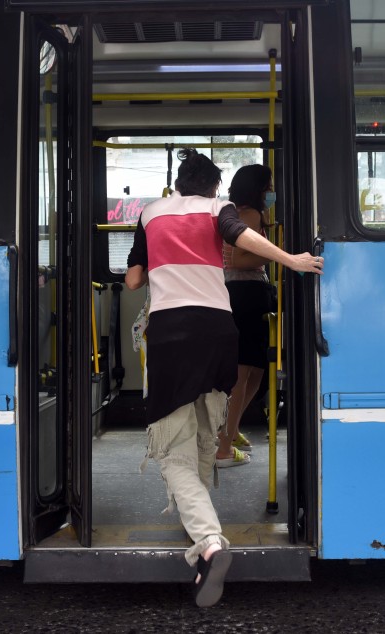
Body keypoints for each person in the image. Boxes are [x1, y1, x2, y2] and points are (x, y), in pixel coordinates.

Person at [125, 149, 323, 607]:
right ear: (215, 186)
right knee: (199, 445)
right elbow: (241, 237)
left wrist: (155, 265)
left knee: (172, 454)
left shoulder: (150, 213)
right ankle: (200, 550)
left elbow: (135, 281)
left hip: (173, 338)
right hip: (219, 333)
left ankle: (210, 544)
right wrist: (292, 261)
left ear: (178, 183)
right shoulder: (219, 209)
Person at [216, 164, 275, 468]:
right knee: (242, 373)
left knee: (255, 370)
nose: (271, 191)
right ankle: (223, 447)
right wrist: (275, 250)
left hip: (241, 293)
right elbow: (240, 258)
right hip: (246, 293)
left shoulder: (237, 211)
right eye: (268, 186)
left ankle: (233, 429)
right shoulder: (249, 214)